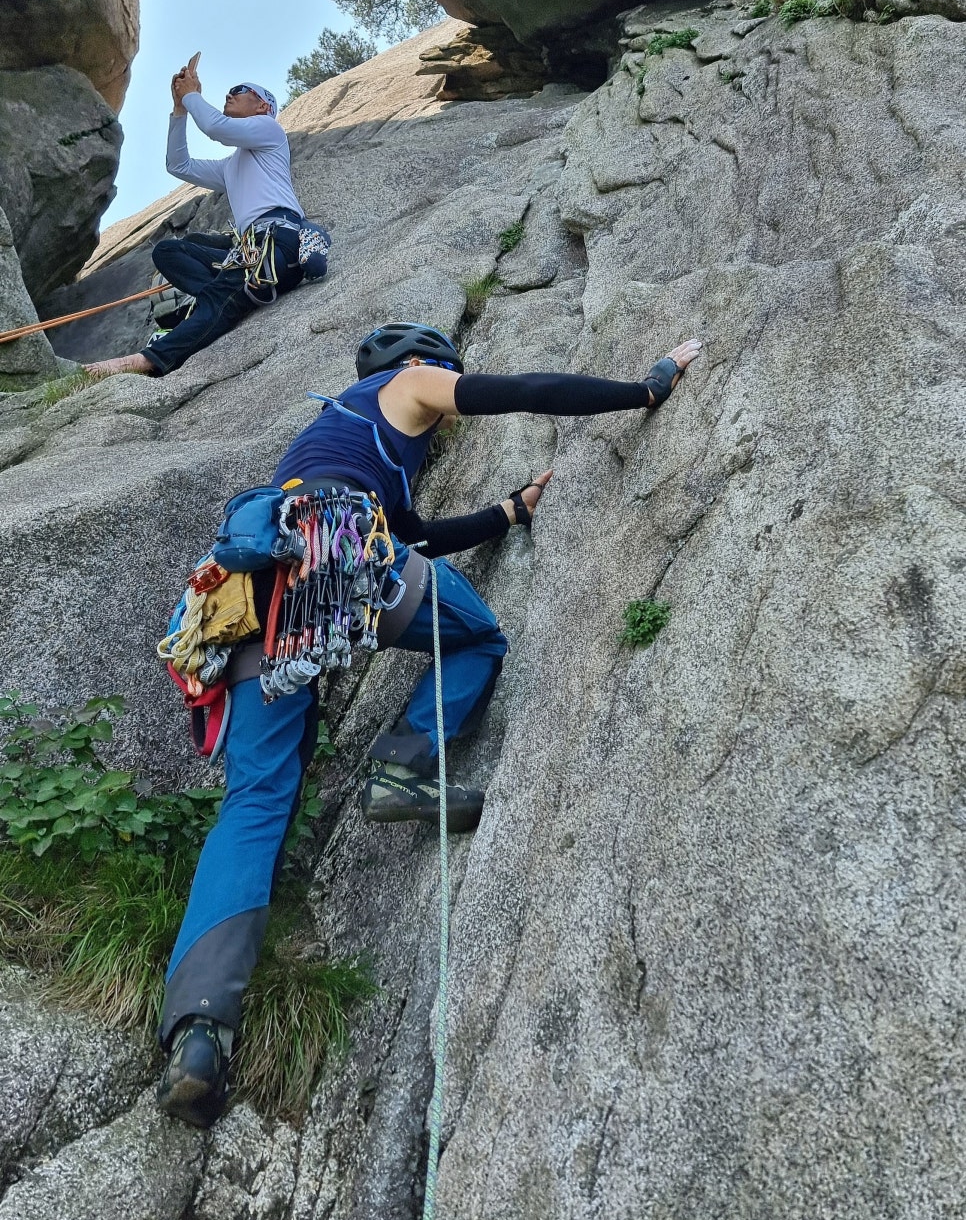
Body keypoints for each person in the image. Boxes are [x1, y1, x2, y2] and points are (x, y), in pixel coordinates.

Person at [156, 321, 703, 1127]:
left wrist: (506, 513)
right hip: (337, 552)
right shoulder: (406, 386)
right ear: (421, 368)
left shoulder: (337, 439)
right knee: (478, 636)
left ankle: (199, 1034)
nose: (445, 403)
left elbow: (413, 539)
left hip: (246, 592)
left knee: (257, 801)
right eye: (446, 380)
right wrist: (646, 386)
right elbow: (519, 393)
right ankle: (403, 767)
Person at [86, 54, 321, 378]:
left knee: (220, 294)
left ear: (263, 107)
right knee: (171, 250)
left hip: (277, 240)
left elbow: (215, 128)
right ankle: (228, 298)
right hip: (247, 248)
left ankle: (148, 359)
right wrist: (180, 109)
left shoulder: (270, 132)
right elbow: (178, 165)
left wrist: (192, 94)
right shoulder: (231, 167)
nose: (230, 94)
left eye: (240, 90)